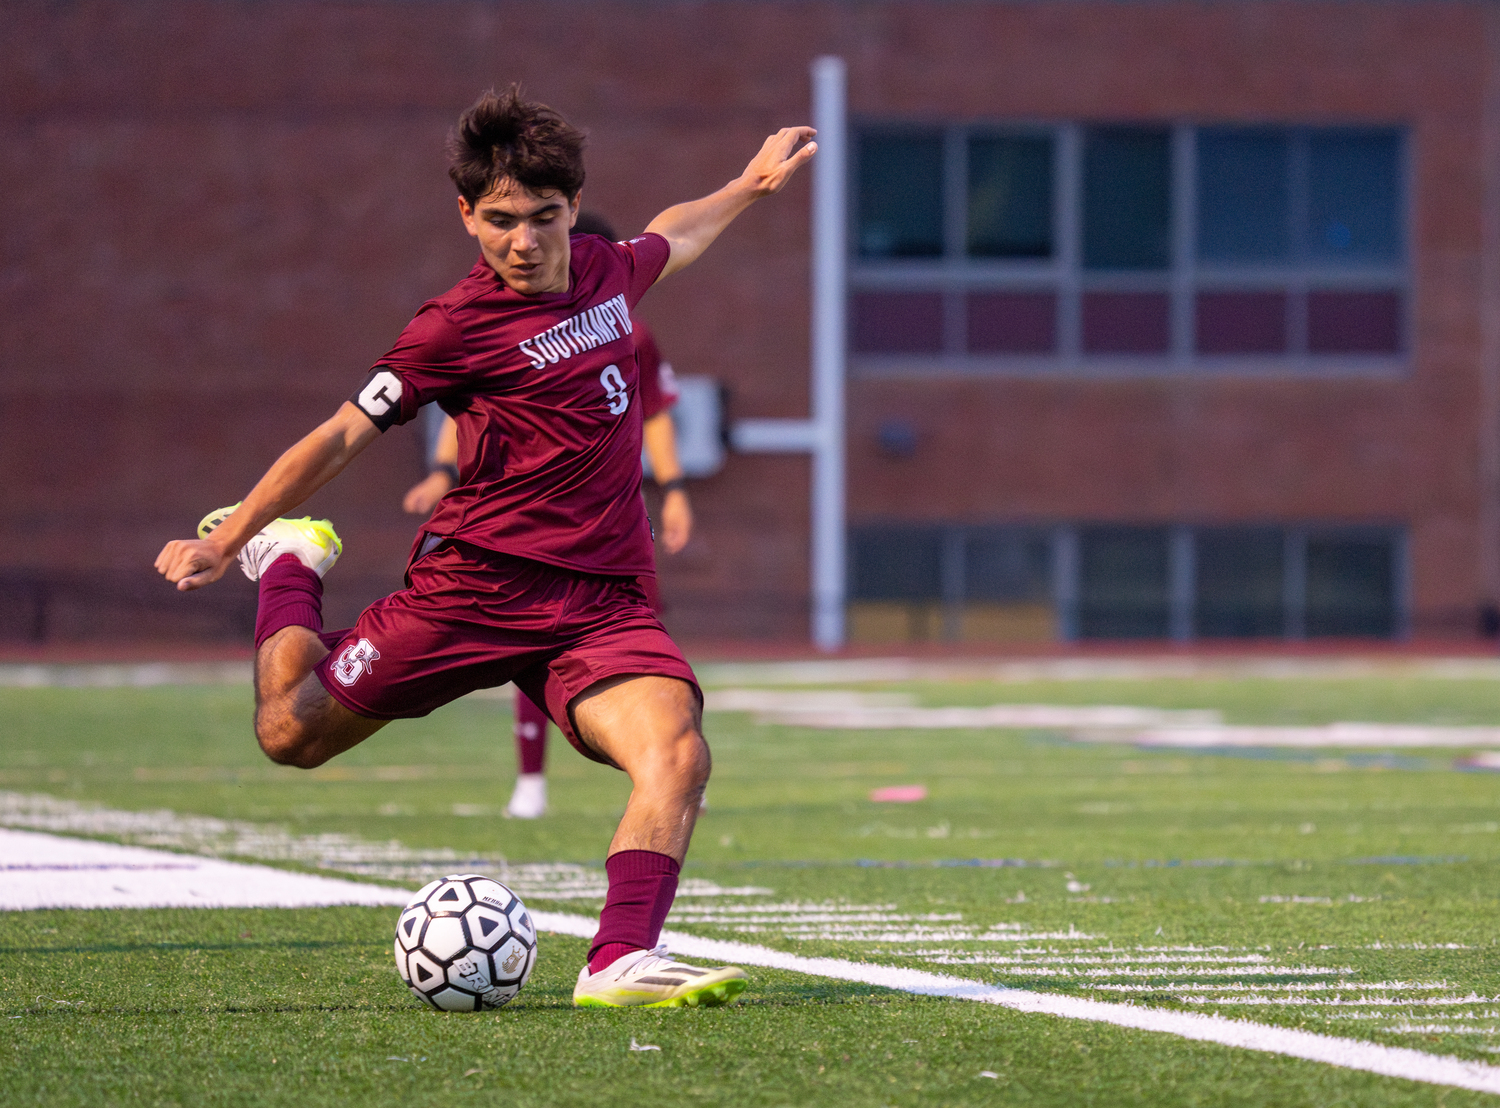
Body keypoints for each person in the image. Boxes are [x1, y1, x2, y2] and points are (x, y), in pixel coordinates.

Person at [155, 86, 815, 1008]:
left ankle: (619, 959)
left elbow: (679, 232)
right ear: (467, 216)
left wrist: (748, 186)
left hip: (601, 601)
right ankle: (295, 561)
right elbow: (342, 435)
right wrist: (234, 538)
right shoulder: (450, 327)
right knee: (288, 733)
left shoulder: (605, 270)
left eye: (544, 217)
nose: (524, 242)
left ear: (573, 210)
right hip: (473, 591)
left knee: (677, 753)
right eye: (501, 221)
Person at [402, 212, 693, 821]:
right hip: (526, 534)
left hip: (613, 527)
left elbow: (657, 413)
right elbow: (474, 413)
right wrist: (438, 472)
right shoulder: (493, 327)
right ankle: (531, 782)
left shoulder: (625, 328)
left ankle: (667, 766)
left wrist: (674, 489)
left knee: (642, 648)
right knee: (527, 650)